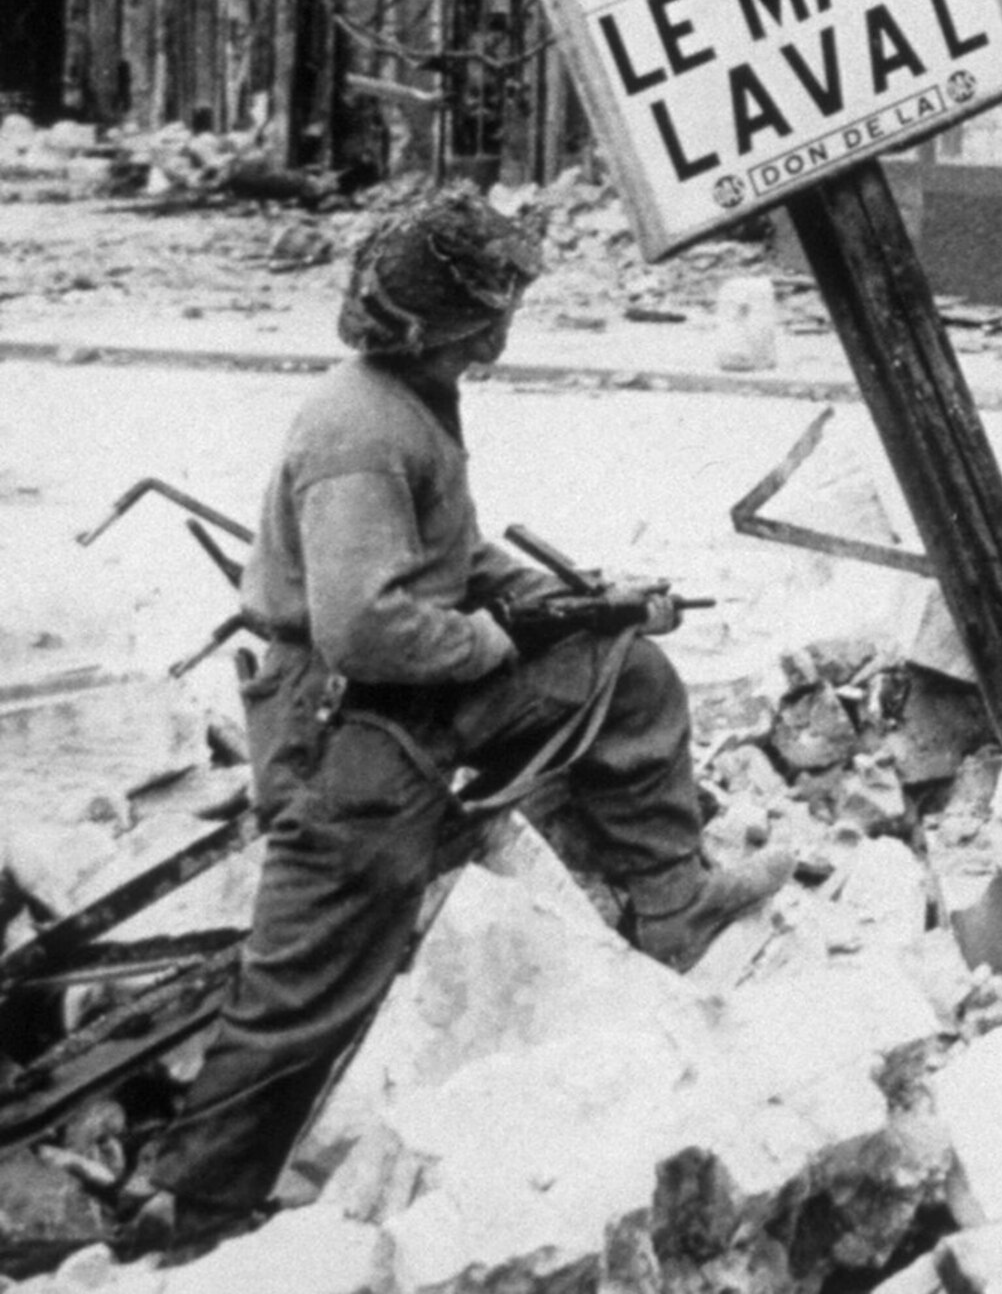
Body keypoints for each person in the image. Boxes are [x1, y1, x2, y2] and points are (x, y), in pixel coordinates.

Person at [134, 188, 787, 1238]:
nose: (507, 320)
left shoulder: (412, 396)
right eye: (498, 302)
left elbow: (439, 549)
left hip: (399, 695)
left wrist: (536, 594)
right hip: (345, 724)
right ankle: (191, 1202)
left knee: (628, 672)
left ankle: (672, 899)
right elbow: (365, 627)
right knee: (313, 975)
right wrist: (496, 641)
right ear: (451, 318)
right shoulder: (363, 429)